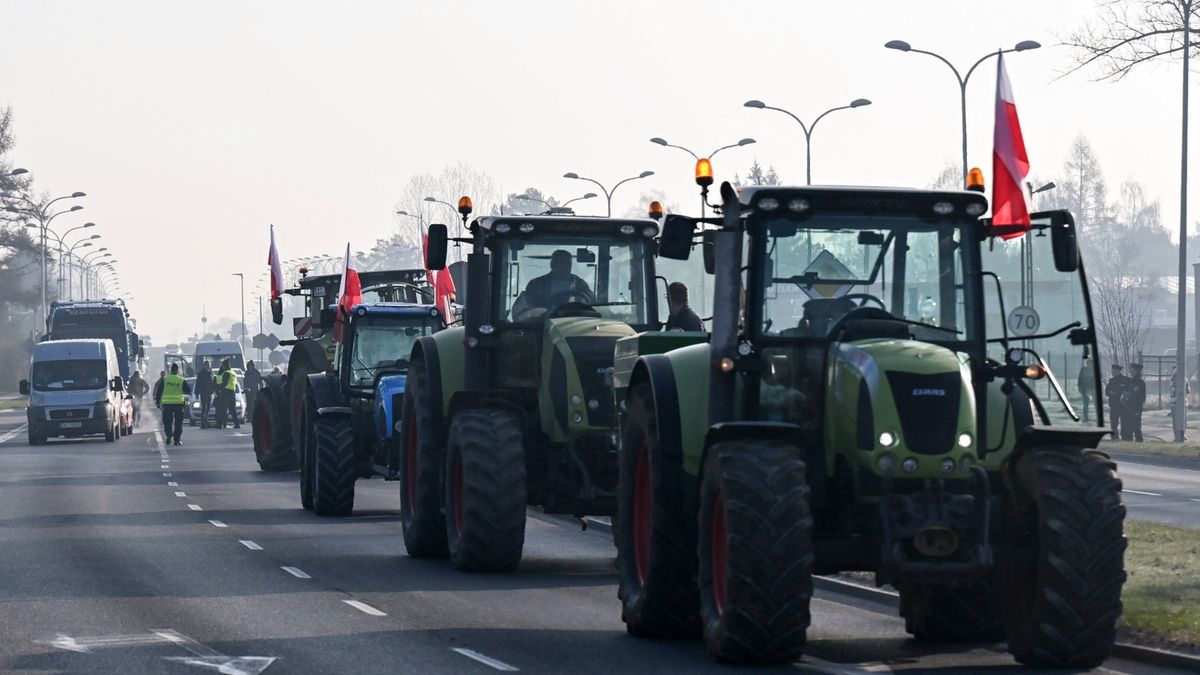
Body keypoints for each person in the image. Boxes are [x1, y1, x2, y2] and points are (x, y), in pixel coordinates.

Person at [512, 249, 593, 320]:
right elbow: (520, 313)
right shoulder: (536, 285)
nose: (564, 267)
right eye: (560, 263)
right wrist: (542, 313)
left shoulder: (580, 285)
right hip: (541, 328)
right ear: (552, 265)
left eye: (567, 264)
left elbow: (593, 304)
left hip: (575, 326)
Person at [153, 363, 192, 446]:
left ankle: (169, 434)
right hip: (179, 404)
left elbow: (159, 392)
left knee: (167, 422)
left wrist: (157, 402)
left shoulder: (165, 379)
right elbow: (188, 391)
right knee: (178, 423)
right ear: (177, 370)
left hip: (167, 404)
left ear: (171, 370)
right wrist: (186, 403)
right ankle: (176, 440)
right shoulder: (181, 380)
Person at [213, 359, 240, 429]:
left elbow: (224, 384)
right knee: (233, 410)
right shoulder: (233, 373)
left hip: (226, 393)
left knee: (223, 410)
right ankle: (237, 424)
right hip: (232, 392)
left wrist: (219, 389)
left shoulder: (226, 373)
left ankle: (220, 425)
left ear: (224, 365)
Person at [1123, 363, 1146, 442]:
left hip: (1136, 408)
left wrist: (1135, 405)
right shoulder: (1130, 381)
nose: (1130, 371)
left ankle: (1139, 441)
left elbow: (1142, 398)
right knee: (1128, 425)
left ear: (1136, 371)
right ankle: (1129, 441)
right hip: (1128, 407)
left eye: (1132, 370)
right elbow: (1126, 393)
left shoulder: (1140, 382)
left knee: (1136, 426)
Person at [1105, 363, 1129, 440]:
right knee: (1113, 424)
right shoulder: (1111, 381)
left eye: (1114, 371)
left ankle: (1124, 438)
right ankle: (1114, 438)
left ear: (1118, 371)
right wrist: (1110, 393)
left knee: (1124, 423)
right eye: (1112, 371)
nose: (1112, 373)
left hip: (1123, 406)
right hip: (1113, 406)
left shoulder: (1126, 380)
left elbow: (1128, 391)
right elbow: (1107, 392)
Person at [195, 360, 214, 428]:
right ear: (204, 365)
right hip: (203, 392)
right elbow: (198, 384)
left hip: (209, 393)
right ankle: (203, 423)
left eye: (209, 365)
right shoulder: (200, 374)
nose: (208, 366)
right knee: (204, 408)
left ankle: (206, 421)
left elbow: (213, 382)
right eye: (206, 365)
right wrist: (197, 393)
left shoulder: (211, 373)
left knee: (208, 408)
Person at [1077, 358, 1095, 424]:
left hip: (1093, 389)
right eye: (1089, 363)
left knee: (1096, 403)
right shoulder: (1084, 370)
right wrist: (1079, 387)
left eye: (1091, 363)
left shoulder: (1095, 370)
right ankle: (1085, 416)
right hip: (1085, 389)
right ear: (1087, 364)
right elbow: (1080, 378)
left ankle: (1098, 416)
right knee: (1086, 404)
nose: (1090, 364)